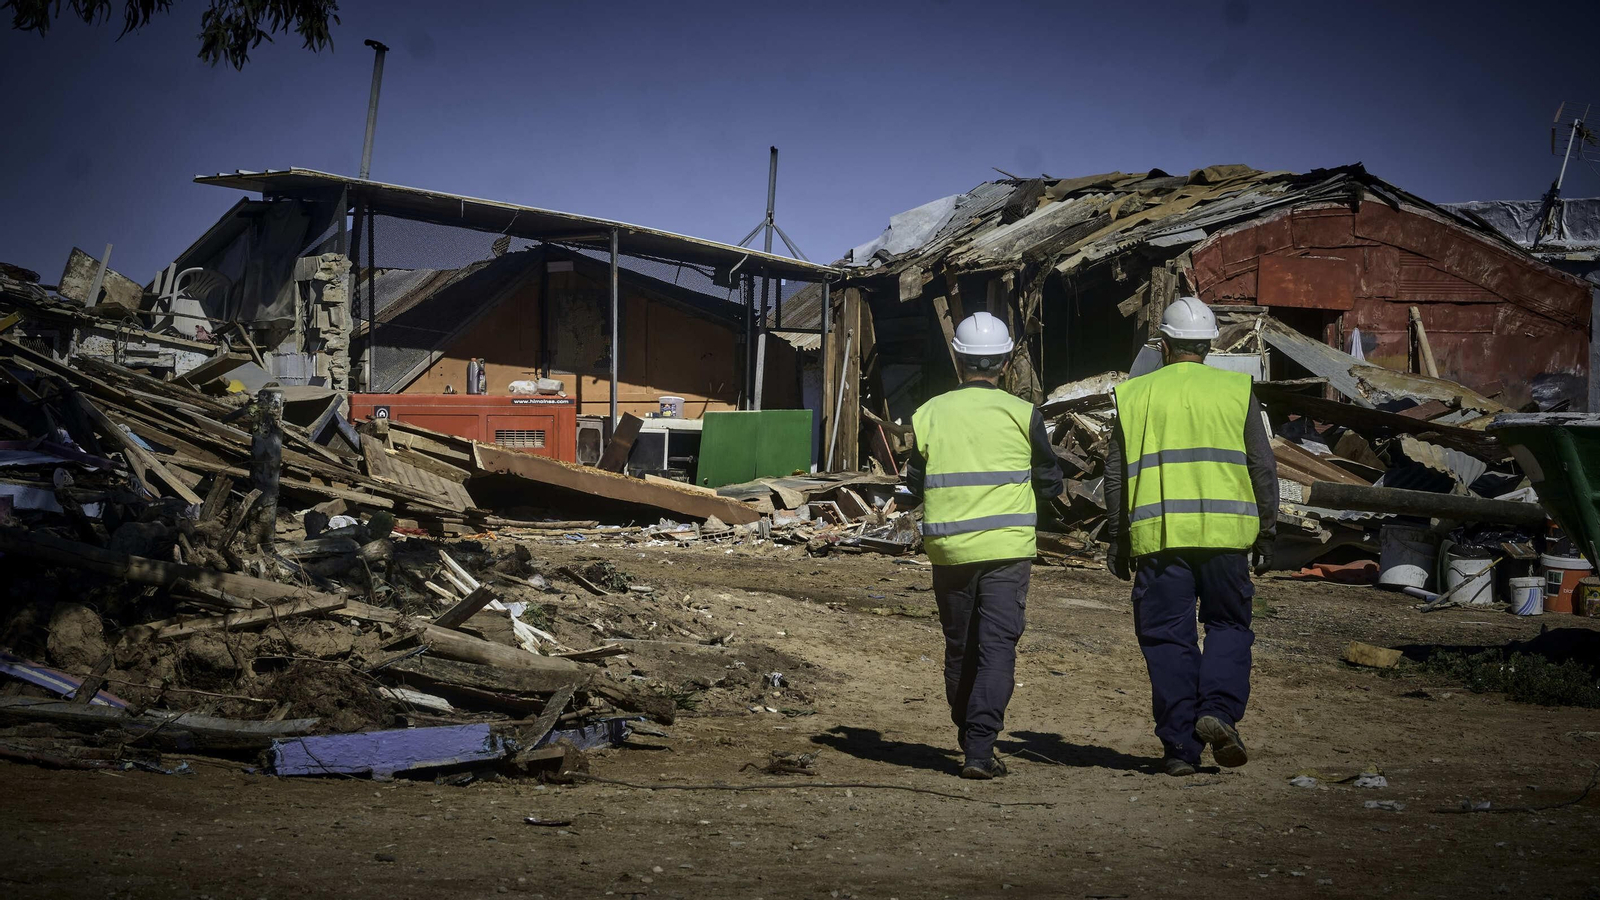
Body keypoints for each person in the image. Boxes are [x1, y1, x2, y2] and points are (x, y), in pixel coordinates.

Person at [1103, 297, 1278, 777]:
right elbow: (1262, 464)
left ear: (1163, 342)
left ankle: (1180, 748)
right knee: (1227, 626)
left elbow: (1116, 473)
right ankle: (1218, 713)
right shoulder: (1236, 390)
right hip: (1226, 539)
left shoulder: (1136, 395)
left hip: (1160, 539)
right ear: (1210, 344)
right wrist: (1267, 529)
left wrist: (1118, 540)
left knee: (1167, 638)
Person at [905, 311, 1064, 779]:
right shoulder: (1022, 414)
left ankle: (970, 735)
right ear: (1005, 362)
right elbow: (1051, 482)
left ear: (958, 358)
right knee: (997, 647)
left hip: (949, 550)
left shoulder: (929, 412)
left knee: (960, 646)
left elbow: (914, 482)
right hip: (1007, 550)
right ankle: (979, 746)